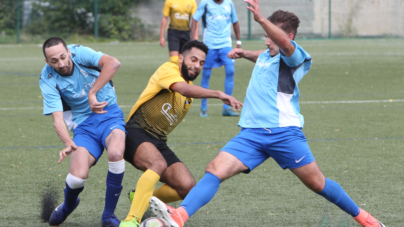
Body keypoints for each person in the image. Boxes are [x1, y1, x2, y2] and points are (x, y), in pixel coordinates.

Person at [148, 1, 386, 227]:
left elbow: (282, 43)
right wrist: (244, 54)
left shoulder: (295, 57)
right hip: (251, 134)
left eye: (270, 35)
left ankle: (366, 219)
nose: (267, 40)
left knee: (318, 183)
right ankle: (179, 217)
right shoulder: (266, 55)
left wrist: (260, 18)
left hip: (284, 133)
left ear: (288, 37)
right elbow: (262, 55)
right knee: (215, 170)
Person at [119, 40, 242, 227]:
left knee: (187, 186)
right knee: (157, 163)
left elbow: (187, 90)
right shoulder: (168, 69)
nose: (197, 66)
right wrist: (218, 93)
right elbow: (183, 88)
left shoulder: (189, 97)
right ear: (181, 58)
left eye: (201, 63)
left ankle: (141, 196)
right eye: (193, 59)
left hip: (158, 141)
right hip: (135, 132)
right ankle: (131, 221)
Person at [39, 37, 126, 227]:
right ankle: (68, 206)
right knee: (76, 178)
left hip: (109, 113)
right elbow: (57, 119)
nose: (61, 63)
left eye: (63, 57)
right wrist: (67, 142)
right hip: (83, 125)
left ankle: (108, 216)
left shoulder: (80, 53)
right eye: (54, 61)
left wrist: (92, 93)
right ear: (47, 62)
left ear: (69, 52)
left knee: (116, 153)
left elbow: (113, 63)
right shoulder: (47, 78)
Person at [190, 0, 241, 117]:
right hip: (209, 45)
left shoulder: (230, 4)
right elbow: (194, 19)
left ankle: (227, 108)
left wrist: (238, 42)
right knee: (206, 75)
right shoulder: (205, 3)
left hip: (225, 45)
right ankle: (203, 107)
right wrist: (194, 39)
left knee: (230, 71)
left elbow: (236, 22)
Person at [160, 0, 198, 65]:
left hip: (186, 33)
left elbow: (195, 20)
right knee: (174, 60)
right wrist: (161, 37)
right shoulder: (169, 1)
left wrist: (195, 36)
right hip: (173, 32)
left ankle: (181, 75)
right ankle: (174, 74)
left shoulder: (192, 2)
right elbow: (165, 17)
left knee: (184, 60)